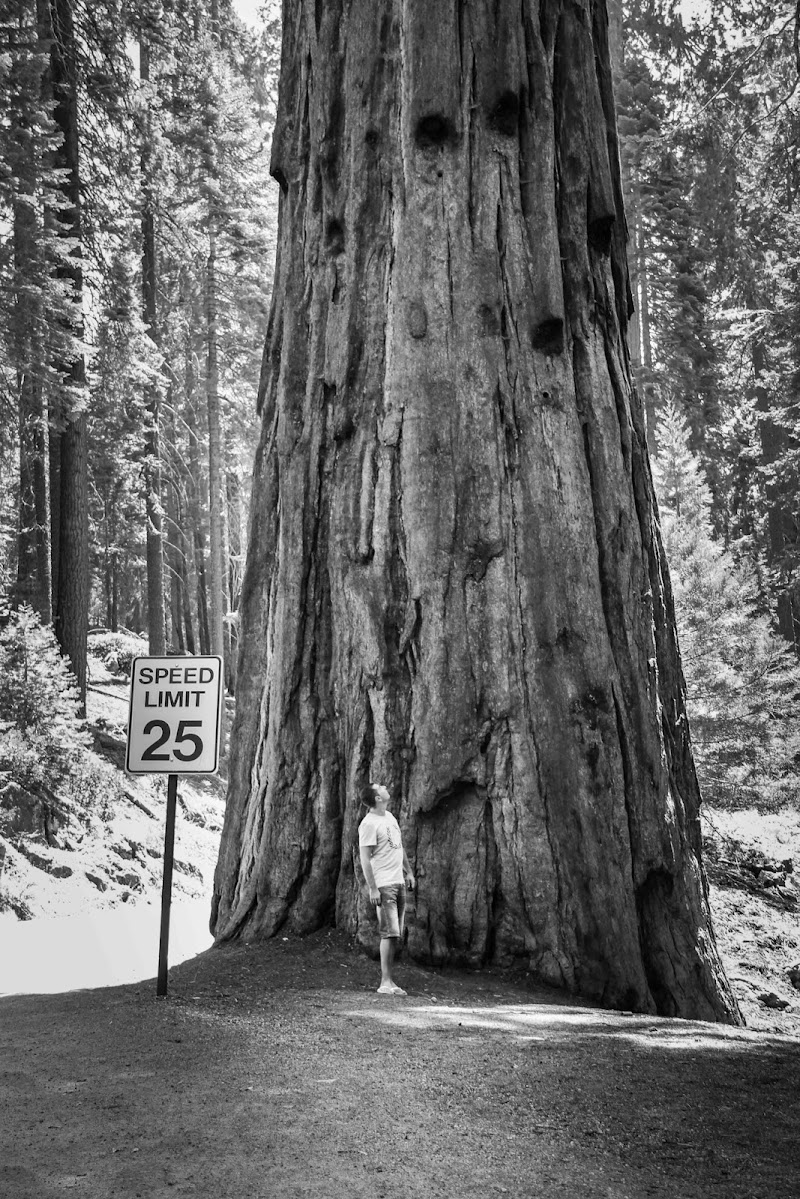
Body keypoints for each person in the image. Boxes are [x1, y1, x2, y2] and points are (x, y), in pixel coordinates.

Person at [358, 782, 415, 995]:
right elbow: (365, 859)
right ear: (377, 798)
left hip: (398, 881)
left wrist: (408, 872)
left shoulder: (389, 817)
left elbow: (399, 847)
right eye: (379, 787)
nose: (384, 786)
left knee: (394, 934)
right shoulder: (368, 824)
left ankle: (391, 983)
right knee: (388, 933)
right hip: (383, 884)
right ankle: (385, 982)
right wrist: (373, 888)